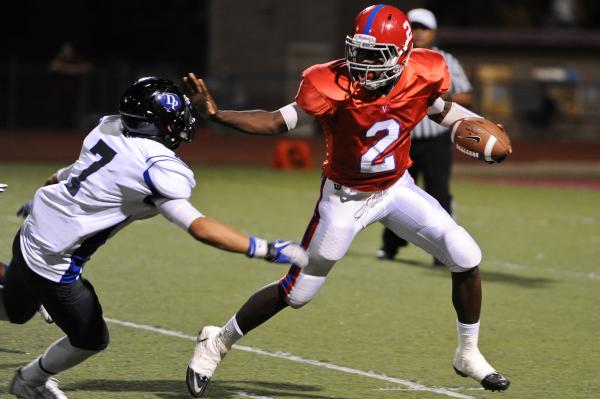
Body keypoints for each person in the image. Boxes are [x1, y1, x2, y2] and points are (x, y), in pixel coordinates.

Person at [182, 4, 510, 397]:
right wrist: (217, 115)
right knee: (297, 293)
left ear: (403, 53)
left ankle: (468, 352)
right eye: (360, 53)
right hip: (344, 198)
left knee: (466, 255)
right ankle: (218, 340)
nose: (365, 66)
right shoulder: (328, 82)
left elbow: (438, 108)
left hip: (395, 188)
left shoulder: (427, 70)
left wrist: (477, 124)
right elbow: (274, 121)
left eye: (377, 57)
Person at [0, 77, 308, 399]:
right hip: (54, 263)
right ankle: (30, 380)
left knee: (15, 309)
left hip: (31, 234)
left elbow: (70, 172)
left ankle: (30, 359)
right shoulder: (156, 167)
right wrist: (264, 248)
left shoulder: (109, 128)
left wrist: (51, 194)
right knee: (91, 338)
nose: (183, 124)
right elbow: (199, 227)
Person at [377, 8, 474, 264]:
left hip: (435, 140)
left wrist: (435, 97)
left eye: (424, 28)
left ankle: (442, 251)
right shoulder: (395, 59)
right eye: (414, 27)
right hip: (402, 138)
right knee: (393, 192)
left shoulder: (445, 60)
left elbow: (465, 94)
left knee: (438, 192)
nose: (418, 33)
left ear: (433, 32)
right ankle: (390, 246)